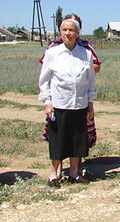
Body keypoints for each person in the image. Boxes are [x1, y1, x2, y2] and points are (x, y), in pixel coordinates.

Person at [39, 14, 101, 179]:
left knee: (77, 140)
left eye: (71, 30)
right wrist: (47, 101)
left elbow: (90, 81)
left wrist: (90, 104)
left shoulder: (86, 54)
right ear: (60, 32)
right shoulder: (53, 53)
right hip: (59, 104)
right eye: (64, 30)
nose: (68, 33)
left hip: (79, 104)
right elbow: (44, 80)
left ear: (78, 32)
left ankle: (74, 173)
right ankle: (54, 174)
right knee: (58, 140)